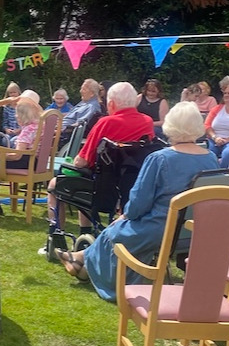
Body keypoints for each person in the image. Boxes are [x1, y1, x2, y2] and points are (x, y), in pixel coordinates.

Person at [53, 102, 219, 299]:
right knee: (120, 228)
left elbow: (138, 202)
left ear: (170, 125)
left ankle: (84, 264)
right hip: (194, 231)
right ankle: (80, 259)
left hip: (159, 229)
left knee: (115, 231)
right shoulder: (212, 159)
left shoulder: (160, 159)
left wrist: (124, 215)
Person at [45, 82, 155, 243]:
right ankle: (85, 232)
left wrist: (75, 160)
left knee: (55, 184)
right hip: (131, 187)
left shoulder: (106, 123)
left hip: (103, 188)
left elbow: (81, 161)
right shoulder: (147, 122)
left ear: (111, 104)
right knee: (89, 178)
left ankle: (56, 237)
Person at [0, 97, 42, 174]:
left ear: (22, 115)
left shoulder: (28, 130)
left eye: (17, 113)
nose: (16, 116)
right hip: (37, 162)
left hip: (26, 162)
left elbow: (16, 156)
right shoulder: (41, 126)